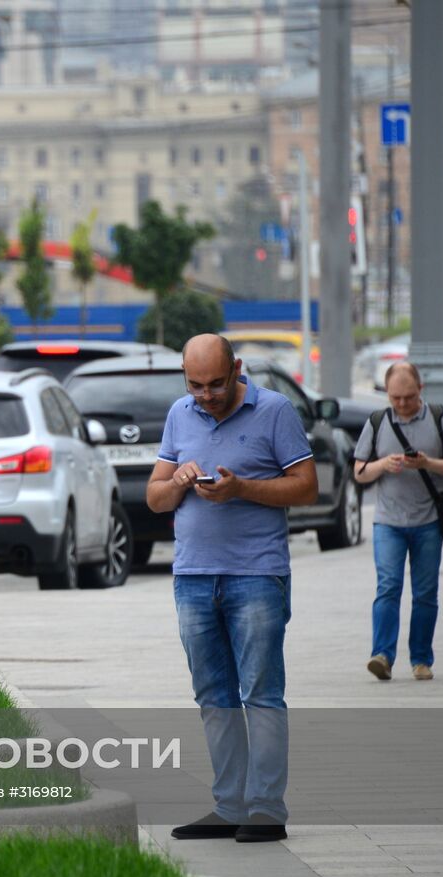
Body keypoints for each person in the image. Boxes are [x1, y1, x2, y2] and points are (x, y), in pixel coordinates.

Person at [147, 335, 318, 844]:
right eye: (195, 385)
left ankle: (265, 811)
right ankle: (228, 807)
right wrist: (177, 481)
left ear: (236, 369)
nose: (206, 395)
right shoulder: (180, 413)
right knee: (213, 696)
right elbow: (155, 498)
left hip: (256, 576)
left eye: (216, 384)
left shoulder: (276, 410)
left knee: (260, 693)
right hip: (193, 578)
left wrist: (241, 487)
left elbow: (307, 487)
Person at [352, 361, 443, 682]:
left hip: (429, 521)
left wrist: (428, 462)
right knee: (388, 587)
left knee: (425, 592)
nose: (402, 404)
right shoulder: (377, 421)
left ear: (420, 389)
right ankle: (382, 656)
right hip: (388, 521)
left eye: (408, 396)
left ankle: (420, 659)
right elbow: (359, 471)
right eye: (395, 398)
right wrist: (382, 465)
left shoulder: (439, 418)